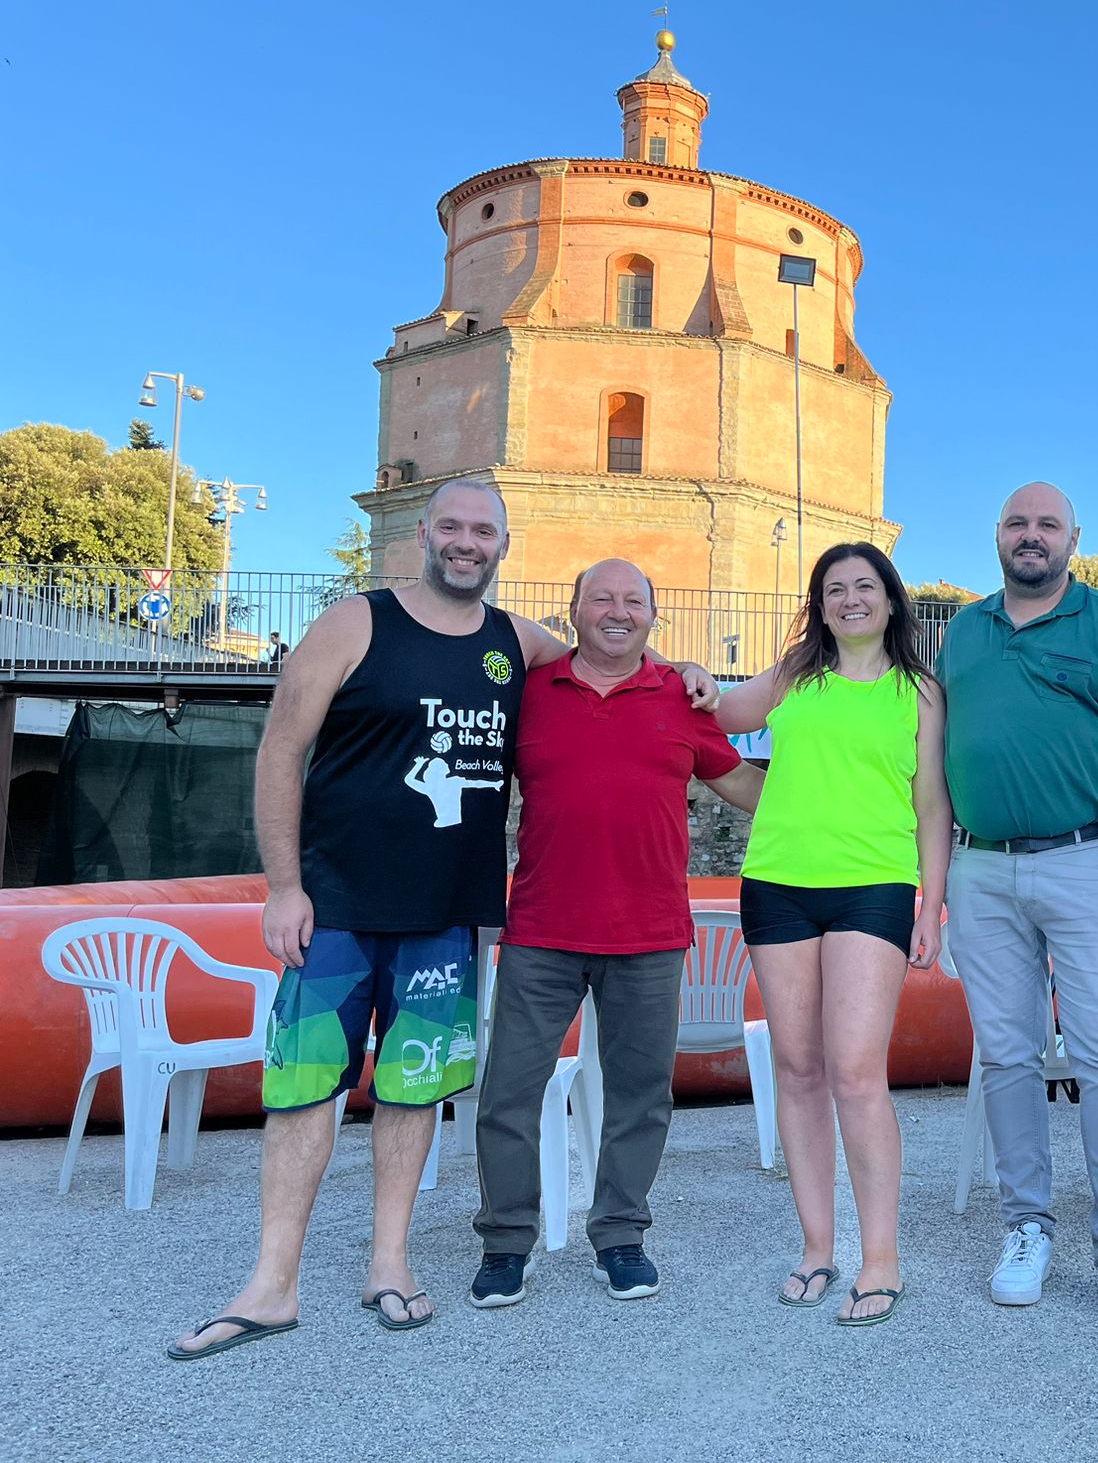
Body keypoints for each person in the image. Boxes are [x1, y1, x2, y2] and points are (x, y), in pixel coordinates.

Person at [169, 481, 712, 1358]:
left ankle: (390, 1264)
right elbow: (281, 745)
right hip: (337, 907)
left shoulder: (517, 644)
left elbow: (614, 658)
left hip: (446, 920)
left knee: (412, 1089)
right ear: (424, 533)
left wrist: (687, 671)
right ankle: (273, 1283)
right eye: (452, 527)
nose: (467, 543)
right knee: (306, 1089)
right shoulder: (358, 622)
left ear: (504, 546)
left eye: (484, 532)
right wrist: (283, 886)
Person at [468, 559, 764, 1309]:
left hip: (649, 935)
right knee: (508, 1092)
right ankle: (506, 1242)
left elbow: (747, 787)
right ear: (572, 610)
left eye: (634, 600)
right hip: (541, 929)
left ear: (653, 619)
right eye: (601, 597)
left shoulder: (681, 696)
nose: (617, 611)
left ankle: (621, 1235)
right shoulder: (527, 694)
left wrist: (851, 786)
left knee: (640, 1096)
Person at [940, 482, 1098, 1333]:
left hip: (1092, 864)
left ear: (1073, 538)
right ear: (997, 535)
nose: (1032, 536)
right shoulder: (962, 633)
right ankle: (1026, 1229)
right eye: (1017, 522)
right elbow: (931, 770)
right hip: (981, 871)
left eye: (1048, 524)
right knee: (1006, 1055)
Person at [715, 542, 950, 1328]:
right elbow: (709, 724)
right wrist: (685, 681)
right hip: (777, 884)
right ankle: (818, 1248)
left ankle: (879, 1258)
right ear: (819, 606)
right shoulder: (794, 676)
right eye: (834, 589)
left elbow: (932, 810)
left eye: (865, 587)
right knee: (798, 1066)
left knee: (855, 1071)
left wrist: (931, 904)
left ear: (890, 601)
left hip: (873, 888)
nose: (850, 599)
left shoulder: (919, 692)